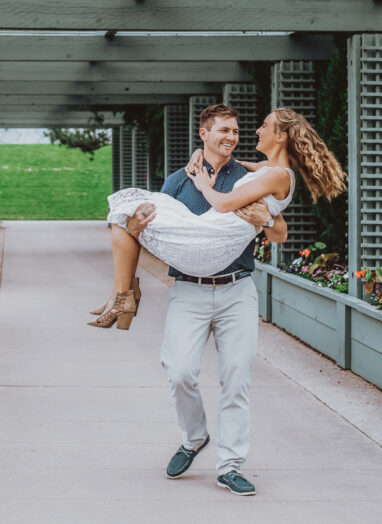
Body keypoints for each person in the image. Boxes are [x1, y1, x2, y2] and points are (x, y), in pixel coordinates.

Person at [89, 104, 345, 496]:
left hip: (236, 290)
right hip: (189, 290)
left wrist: (269, 221)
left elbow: (280, 232)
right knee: (179, 372)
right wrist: (139, 227)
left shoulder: (249, 175)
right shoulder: (179, 180)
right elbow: (164, 233)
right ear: (203, 134)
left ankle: (230, 465)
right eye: (223, 131)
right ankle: (194, 438)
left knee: (237, 378)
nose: (232, 137)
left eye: (237, 131)